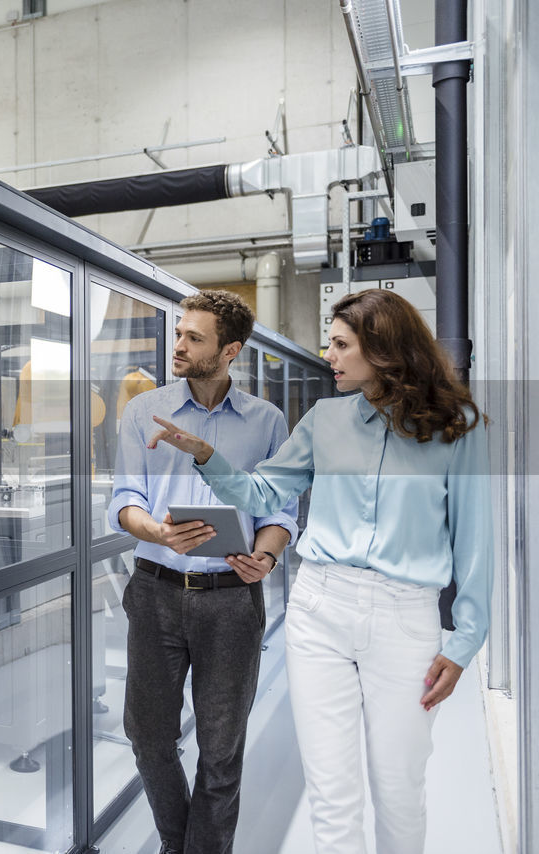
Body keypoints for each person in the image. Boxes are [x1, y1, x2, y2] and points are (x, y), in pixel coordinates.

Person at [148, 288, 491, 854]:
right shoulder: (324, 418)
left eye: (339, 345)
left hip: (405, 619)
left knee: (399, 788)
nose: (327, 356)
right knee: (332, 794)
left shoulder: (457, 425)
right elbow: (264, 489)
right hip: (319, 610)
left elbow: (475, 541)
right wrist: (206, 455)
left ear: (382, 350)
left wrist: (465, 640)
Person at [108, 290, 298, 854]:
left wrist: (265, 555)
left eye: (195, 338)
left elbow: (279, 508)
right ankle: (177, 841)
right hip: (156, 590)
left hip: (231, 598)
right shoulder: (145, 410)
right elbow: (124, 497)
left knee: (221, 747)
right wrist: (156, 531)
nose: (179, 346)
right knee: (148, 736)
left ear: (230, 350)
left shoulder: (266, 421)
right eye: (179, 334)